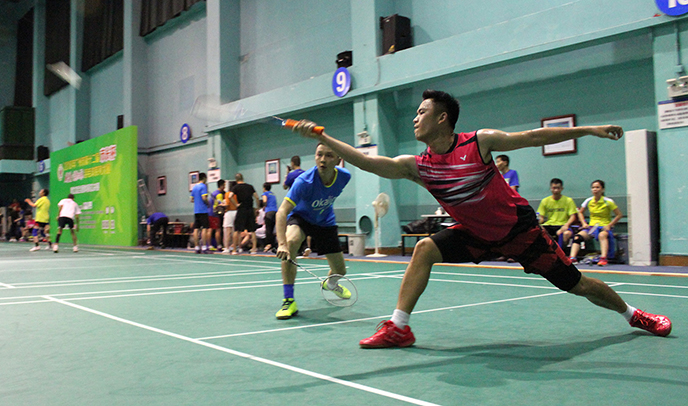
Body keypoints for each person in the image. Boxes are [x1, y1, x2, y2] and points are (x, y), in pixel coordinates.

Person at [290, 89, 671, 347]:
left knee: (578, 285)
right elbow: (367, 162)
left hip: (519, 231)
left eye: (421, 112)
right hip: (474, 233)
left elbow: (533, 137)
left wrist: (589, 130)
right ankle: (399, 327)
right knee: (424, 249)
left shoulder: (479, 142)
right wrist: (323, 137)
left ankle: (634, 316)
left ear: (442, 118)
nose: (415, 119)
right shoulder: (417, 166)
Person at [274, 143, 353, 319]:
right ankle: (289, 300)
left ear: (338, 160)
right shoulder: (304, 182)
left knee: (340, 271)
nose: (323, 160)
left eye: (329, 155)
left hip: (325, 221)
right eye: (319, 155)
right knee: (292, 242)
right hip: (301, 218)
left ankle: (330, 284)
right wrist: (282, 244)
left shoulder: (344, 177)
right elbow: (282, 212)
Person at [568, 180, 623, 266]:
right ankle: (572, 258)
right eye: (593, 187)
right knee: (577, 237)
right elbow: (580, 212)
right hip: (592, 228)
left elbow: (619, 215)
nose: (595, 189)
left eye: (597, 187)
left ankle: (603, 258)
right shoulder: (588, 201)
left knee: (602, 235)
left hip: (604, 227)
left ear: (603, 189)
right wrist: (584, 223)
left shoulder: (608, 201)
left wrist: (609, 225)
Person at [537, 178, 578, 250]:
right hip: (549, 225)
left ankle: (562, 252)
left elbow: (573, 216)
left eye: (558, 188)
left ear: (562, 188)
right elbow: (541, 217)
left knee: (566, 234)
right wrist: (538, 223)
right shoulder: (545, 201)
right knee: (538, 232)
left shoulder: (568, 200)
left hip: (563, 225)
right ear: (550, 188)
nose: (556, 190)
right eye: (554, 188)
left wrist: (566, 225)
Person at [283, 155, 312, 256]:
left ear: (292, 163)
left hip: (294, 203)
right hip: (306, 203)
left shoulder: (291, 175)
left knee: (292, 226)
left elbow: (284, 186)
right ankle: (306, 247)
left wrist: (287, 173)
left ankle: (295, 249)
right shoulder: (306, 173)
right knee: (304, 225)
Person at [231, 173, 260, 254]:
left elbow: (230, 196)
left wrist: (236, 204)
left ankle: (234, 249)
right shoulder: (250, 186)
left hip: (241, 209)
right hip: (250, 209)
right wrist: (257, 208)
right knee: (252, 230)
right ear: (242, 178)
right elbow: (257, 197)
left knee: (237, 230)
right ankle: (254, 248)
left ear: (236, 180)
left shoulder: (236, 187)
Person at [190, 172, 211, 254]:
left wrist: (197, 202)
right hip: (203, 210)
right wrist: (208, 203)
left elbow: (191, 199)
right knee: (204, 228)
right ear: (204, 178)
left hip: (196, 211)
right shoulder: (203, 186)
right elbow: (204, 197)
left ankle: (197, 247)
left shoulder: (194, 187)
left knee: (196, 229)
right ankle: (204, 247)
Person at [209, 180, 226, 251]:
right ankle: (219, 246)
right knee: (217, 230)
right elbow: (220, 204)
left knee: (210, 229)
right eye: (224, 185)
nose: (225, 187)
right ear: (221, 186)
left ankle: (209, 245)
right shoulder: (219, 194)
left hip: (209, 212)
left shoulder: (214, 193)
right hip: (214, 214)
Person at [222, 181, 239, 253]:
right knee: (236, 231)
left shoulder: (228, 194)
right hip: (236, 212)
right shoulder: (238, 194)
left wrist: (221, 205)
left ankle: (226, 247)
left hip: (229, 212)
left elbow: (227, 204)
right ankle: (238, 247)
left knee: (227, 231)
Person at [261, 182, 278, 252]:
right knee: (273, 229)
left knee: (268, 229)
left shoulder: (265, 193)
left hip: (269, 212)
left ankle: (268, 245)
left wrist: (264, 206)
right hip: (275, 212)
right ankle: (273, 245)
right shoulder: (273, 194)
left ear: (264, 188)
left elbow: (265, 201)